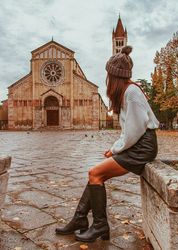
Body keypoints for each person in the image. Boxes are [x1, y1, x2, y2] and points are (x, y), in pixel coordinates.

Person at [55, 45, 159, 242]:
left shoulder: (132, 93)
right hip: (138, 146)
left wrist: (115, 149)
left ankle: (99, 225)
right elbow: (130, 130)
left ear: (114, 75)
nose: (107, 79)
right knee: (95, 174)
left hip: (142, 148)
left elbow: (135, 130)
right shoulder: (128, 92)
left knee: (95, 173)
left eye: (109, 75)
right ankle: (80, 219)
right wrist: (115, 149)